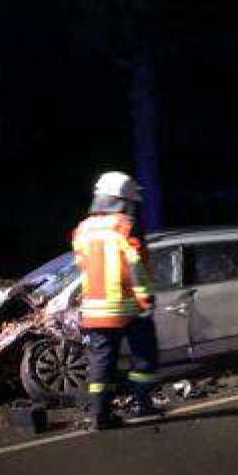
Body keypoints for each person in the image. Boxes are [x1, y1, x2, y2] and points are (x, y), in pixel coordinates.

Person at [72, 171, 160, 430]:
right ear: (123, 199)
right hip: (127, 307)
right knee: (144, 355)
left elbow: (83, 267)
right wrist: (146, 298)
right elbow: (136, 266)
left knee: (102, 363)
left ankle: (100, 416)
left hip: (94, 311)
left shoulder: (82, 229)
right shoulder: (126, 226)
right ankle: (142, 404)